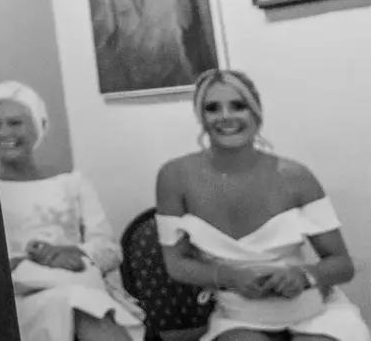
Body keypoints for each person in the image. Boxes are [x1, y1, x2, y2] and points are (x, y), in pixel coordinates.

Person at [155, 69, 367, 341]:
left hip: (313, 309)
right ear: (201, 117)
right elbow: (175, 264)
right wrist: (228, 277)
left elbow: (342, 265)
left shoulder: (297, 176)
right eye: (212, 108)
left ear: (256, 112)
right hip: (238, 315)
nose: (226, 117)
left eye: (238, 106)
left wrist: (303, 275)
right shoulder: (174, 177)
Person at [0, 80, 141, 341]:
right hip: (19, 300)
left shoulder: (72, 182)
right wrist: (33, 260)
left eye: (15, 123)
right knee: (76, 301)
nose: (3, 133)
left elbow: (109, 252)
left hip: (79, 283)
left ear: (39, 125)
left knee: (80, 299)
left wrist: (72, 252)